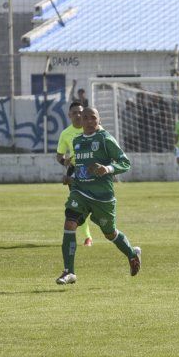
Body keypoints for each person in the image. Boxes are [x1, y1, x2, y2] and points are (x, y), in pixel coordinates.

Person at [56, 107, 141, 285]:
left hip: (102, 197)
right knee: (69, 223)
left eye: (92, 118)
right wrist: (70, 178)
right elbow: (78, 166)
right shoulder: (77, 141)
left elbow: (125, 163)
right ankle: (69, 272)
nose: (87, 121)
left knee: (110, 233)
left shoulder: (105, 139)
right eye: (85, 117)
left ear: (99, 120)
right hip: (80, 192)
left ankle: (132, 254)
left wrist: (107, 169)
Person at [56, 101, 93, 246]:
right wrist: (64, 161)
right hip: (75, 172)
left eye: (80, 112)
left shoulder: (93, 129)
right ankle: (87, 237)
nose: (78, 115)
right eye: (75, 113)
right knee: (78, 205)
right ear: (69, 115)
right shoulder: (65, 134)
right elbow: (59, 155)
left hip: (93, 171)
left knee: (93, 205)